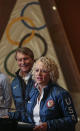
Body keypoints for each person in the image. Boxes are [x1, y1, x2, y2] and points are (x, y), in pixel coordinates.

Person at [8, 56, 77, 131]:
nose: (39, 74)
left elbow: (72, 119)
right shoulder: (32, 91)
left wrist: (48, 125)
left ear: (51, 73)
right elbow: (29, 116)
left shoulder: (61, 94)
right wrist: (10, 115)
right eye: (37, 70)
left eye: (43, 71)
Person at [11, 47, 34, 112]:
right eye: (20, 60)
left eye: (25, 59)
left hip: (40, 121)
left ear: (32, 59)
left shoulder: (42, 78)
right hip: (22, 121)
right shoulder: (14, 83)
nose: (23, 62)